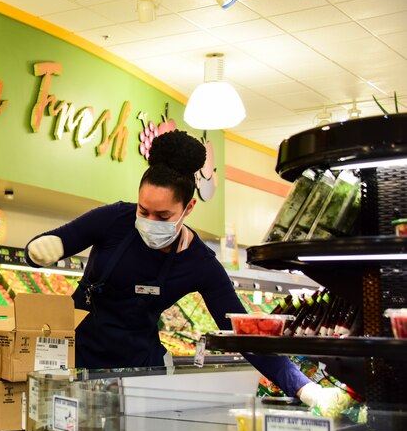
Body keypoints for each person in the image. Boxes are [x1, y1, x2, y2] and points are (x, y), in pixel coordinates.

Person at [25, 130, 335, 408]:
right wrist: (39, 250)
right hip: (76, 361)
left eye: (162, 215)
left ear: (188, 208)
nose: (149, 221)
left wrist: (303, 387)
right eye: (143, 210)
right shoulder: (112, 220)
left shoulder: (200, 264)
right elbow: (51, 244)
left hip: (141, 375)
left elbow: (242, 331)